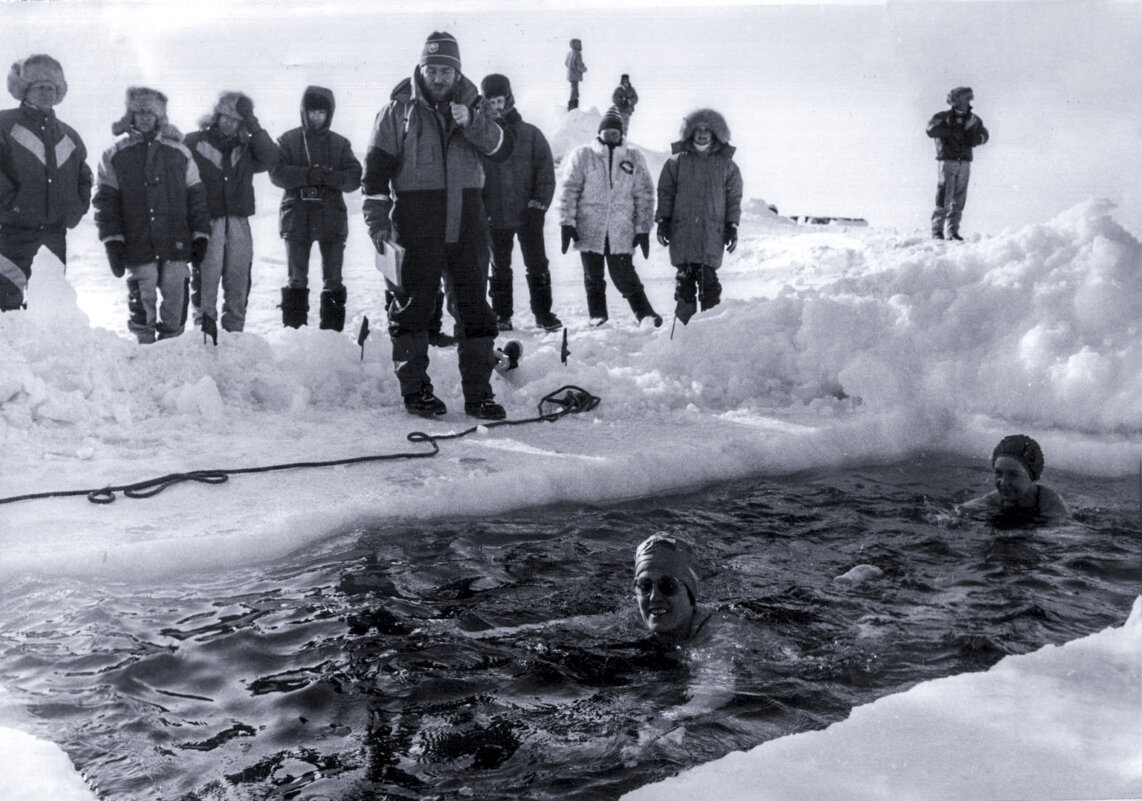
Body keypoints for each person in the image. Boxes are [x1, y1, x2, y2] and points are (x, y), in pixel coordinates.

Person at [362, 31, 515, 420]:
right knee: (413, 308)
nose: (439, 77)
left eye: (446, 70)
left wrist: (475, 124)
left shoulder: (475, 107)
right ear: (421, 68)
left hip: (468, 223)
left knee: (475, 309)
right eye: (432, 69)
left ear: (456, 72)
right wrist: (378, 225)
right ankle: (417, 393)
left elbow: (502, 150)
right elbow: (375, 176)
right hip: (416, 222)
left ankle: (479, 395)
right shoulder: (397, 111)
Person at [93, 87, 210, 344]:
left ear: (160, 117)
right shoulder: (114, 155)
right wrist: (112, 240)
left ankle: (172, 347)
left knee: (176, 294)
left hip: (175, 241)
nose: (145, 118)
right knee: (142, 295)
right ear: (130, 116)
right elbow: (105, 202)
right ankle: (145, 348)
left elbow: (197, 198)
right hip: (138, 240)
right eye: (139, 112)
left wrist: (200, 234)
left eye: (150, 112)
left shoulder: (179, 152)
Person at [1, 54, 92, 312]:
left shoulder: (69, 135)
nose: (46, 93)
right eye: (39, 87)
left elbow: (84, 178)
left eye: (52, 88)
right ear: (24, 90)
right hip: (15, 233)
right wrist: (12, 206)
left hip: (54, 235)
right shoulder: (4, 125)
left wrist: (73, 210)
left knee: (49, 309)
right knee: (8, 305)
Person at [184, 91, 279, 334]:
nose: (228, 122)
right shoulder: (194, 141)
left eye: (235, 119)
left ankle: (234, 337)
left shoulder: (247, 147)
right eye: (224, 116)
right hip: (207, 222)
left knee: (238, 281)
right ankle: (204, 337)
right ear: (215, 116)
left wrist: (252, 120)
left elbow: (271, 158)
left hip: (238, 221)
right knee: (206, 281)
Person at [269, 86, 362, 330]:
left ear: (329, 114)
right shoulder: (287, 140)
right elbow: (276, 173)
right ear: (304, 112)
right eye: (312, 112)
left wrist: (331, 178)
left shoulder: (341, 144)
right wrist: (308, 175)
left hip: (331, 220)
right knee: (296, 278)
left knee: (333, 279)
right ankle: (294, 335)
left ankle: (331, 337)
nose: (316, 117)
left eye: (322, 113)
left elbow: (355, 177)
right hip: (297, 220)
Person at [560, 108, 660, 328]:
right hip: (589, 229)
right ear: (600, 132)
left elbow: (644, 194)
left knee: (624, 276)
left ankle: (646, 315)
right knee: (593, 278)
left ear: (621, 133)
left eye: (616, 131)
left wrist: (643, 228)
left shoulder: (634, 157)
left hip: (621, 230)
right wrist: (567, 223)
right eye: (607, 130)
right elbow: (570, 190)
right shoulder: (583, 155)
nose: (611, 134)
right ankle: (598, 317)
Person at [480, 73, 561, 333]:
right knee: (499, 267)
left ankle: (543, 313)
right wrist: (482, 211)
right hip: (496, 216)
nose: (496, 107)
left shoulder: (531, 135)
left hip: (528, 215)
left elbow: (546, 173)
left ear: (510, 99)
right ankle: (501, 314)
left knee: (537, 265)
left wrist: (538, 206)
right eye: (490, 102)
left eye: (500, 100)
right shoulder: (483, 137)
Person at [655, 108, 743, 325]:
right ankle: (684, 330)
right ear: (690, 133)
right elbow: (665, 192)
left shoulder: (727, 165)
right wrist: (663, 221)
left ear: (716, 134)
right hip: (682, 232)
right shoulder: (676, 162)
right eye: (698, 130)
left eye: (707, 130)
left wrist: (732, 225)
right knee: (684, 283)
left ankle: (708, 328)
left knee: (708, 282)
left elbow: (734, 198)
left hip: (711, 233)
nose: (702, 134)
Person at [926, 86, 988, 241]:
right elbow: (931, 130)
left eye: (968, 98)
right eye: (963, 98)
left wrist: (975, 138)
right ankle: (937, 231)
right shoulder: (943, 117)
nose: (967, 101)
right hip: (947, 161)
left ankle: (953, 231)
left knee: (959, 198)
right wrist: (955, 131)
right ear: (954, 100)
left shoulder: (974, 120)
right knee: (944, 195)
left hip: (965, 162)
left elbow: (985, 135)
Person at [961, 434, 1069, 519]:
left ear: (1033, 478)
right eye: (998, 473)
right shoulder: (995, 499)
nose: (1003, 482)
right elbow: (962, 510)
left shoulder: (1052, 504)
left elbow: (1066, 535)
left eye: (1013, 475)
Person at [633, 533, 712, 646]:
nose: (654, 597)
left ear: (691, 594)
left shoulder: (718, 635)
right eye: (644, 585)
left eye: (668, 586)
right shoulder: (631, 623)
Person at [565, 39, 587, 112]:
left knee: (574, 89)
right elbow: (579, 66)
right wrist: (584, 69)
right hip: (575, 75)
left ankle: (572, 106)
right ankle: (572, 108)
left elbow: (566, 63)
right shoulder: (577, 53)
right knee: (575, 91)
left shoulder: (569, 53)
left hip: (570, 75)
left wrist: (571, 67)